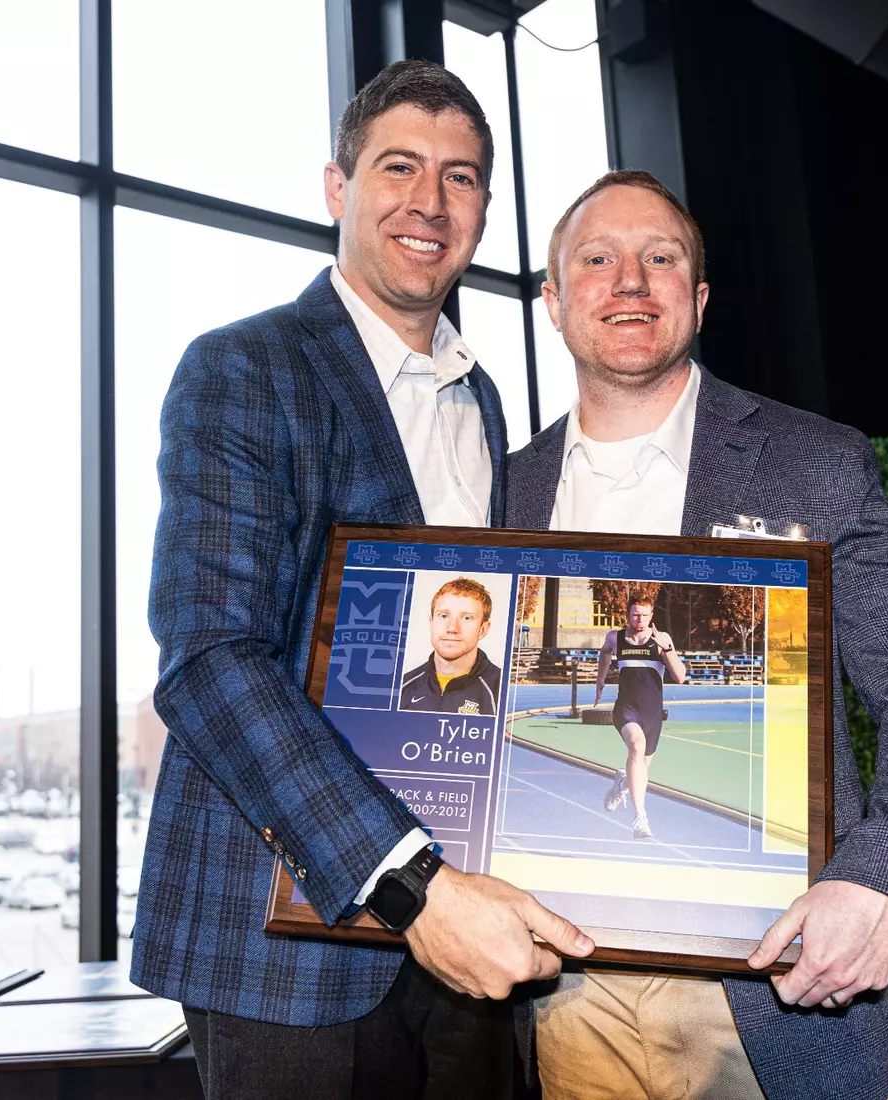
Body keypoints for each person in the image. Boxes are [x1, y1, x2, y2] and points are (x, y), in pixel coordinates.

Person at [131, 60, 592, 1100]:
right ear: (338, 188)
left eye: (462, 177)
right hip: (292, 944)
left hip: (472, 939)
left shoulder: (481, 403)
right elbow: (210, 659)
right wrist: (411, 886)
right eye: (399, 167)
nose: (430, 202)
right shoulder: (243, 369)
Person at [506, 170, 888, 1100]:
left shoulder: (815, 464)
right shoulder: (501, 492)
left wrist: (884, 880)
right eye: (598, 259)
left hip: (775, 993)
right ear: (554, 302)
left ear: (696, 299)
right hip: (560, 997)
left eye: (661, 259)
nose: (630, 282)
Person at [593, 593, 687, 837]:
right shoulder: (615, 637)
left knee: (640, 771)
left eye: (645, 615)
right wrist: (600, 681)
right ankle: (640, 818)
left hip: (653, 714)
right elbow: (605, 653)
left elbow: (680, 676)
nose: (640, 619)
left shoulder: (661, 639)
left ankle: (621, 785)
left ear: (652, 615)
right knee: (636, 745)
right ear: (627, 614)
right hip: (626, 708)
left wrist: (667, 649)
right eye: (635, 614)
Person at [402, 577, 502, 715]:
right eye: (443, 616)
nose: (452, 628)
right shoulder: (402, 686)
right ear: (431, 622)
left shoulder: (501, 690)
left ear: (483, 630)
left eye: (467, 618)